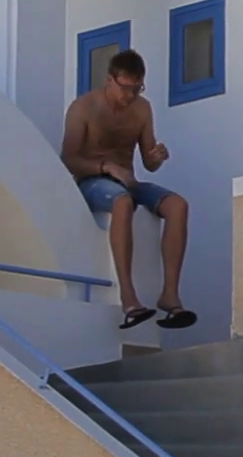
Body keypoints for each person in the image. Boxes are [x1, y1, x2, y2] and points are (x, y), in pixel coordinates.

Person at [60, 49, 196, 330]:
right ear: (109, 79)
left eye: (137, 88)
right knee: (123, 202)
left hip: (128, 181)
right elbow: (69, 159)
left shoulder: (142, 109)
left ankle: (170, 295)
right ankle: (128, 298)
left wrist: (157, 157)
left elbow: (148, 162)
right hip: (92, 182)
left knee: (178, 206)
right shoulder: (83, 108)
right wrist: (106, 167)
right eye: (125, 88)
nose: (130, 95)